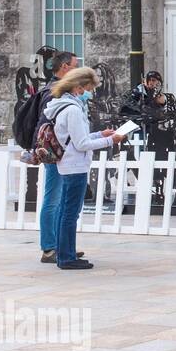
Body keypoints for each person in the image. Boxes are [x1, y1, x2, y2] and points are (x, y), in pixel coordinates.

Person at [43, 67, 125, 270]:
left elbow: (76, 138)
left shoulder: (63, 105)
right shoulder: (72, 109)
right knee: (70, 214)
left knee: (65, 211)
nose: (90, 92)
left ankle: (65, 253)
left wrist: (100, 134)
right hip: (75, 165)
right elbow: (81, 144)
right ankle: (67, 258)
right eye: (88, 88)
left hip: (68, 164)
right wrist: (110, 141)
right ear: (79, 87)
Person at [37, 51, 78, 264]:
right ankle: (49, 248)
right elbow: (43, 124)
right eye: (75, 66)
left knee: (60, 199)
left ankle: (61, 246)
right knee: (53, 199)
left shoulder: (62, 90)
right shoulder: (53, 91)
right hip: (55, 152)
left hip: (63, 152)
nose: (78, 70)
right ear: (64, 67)